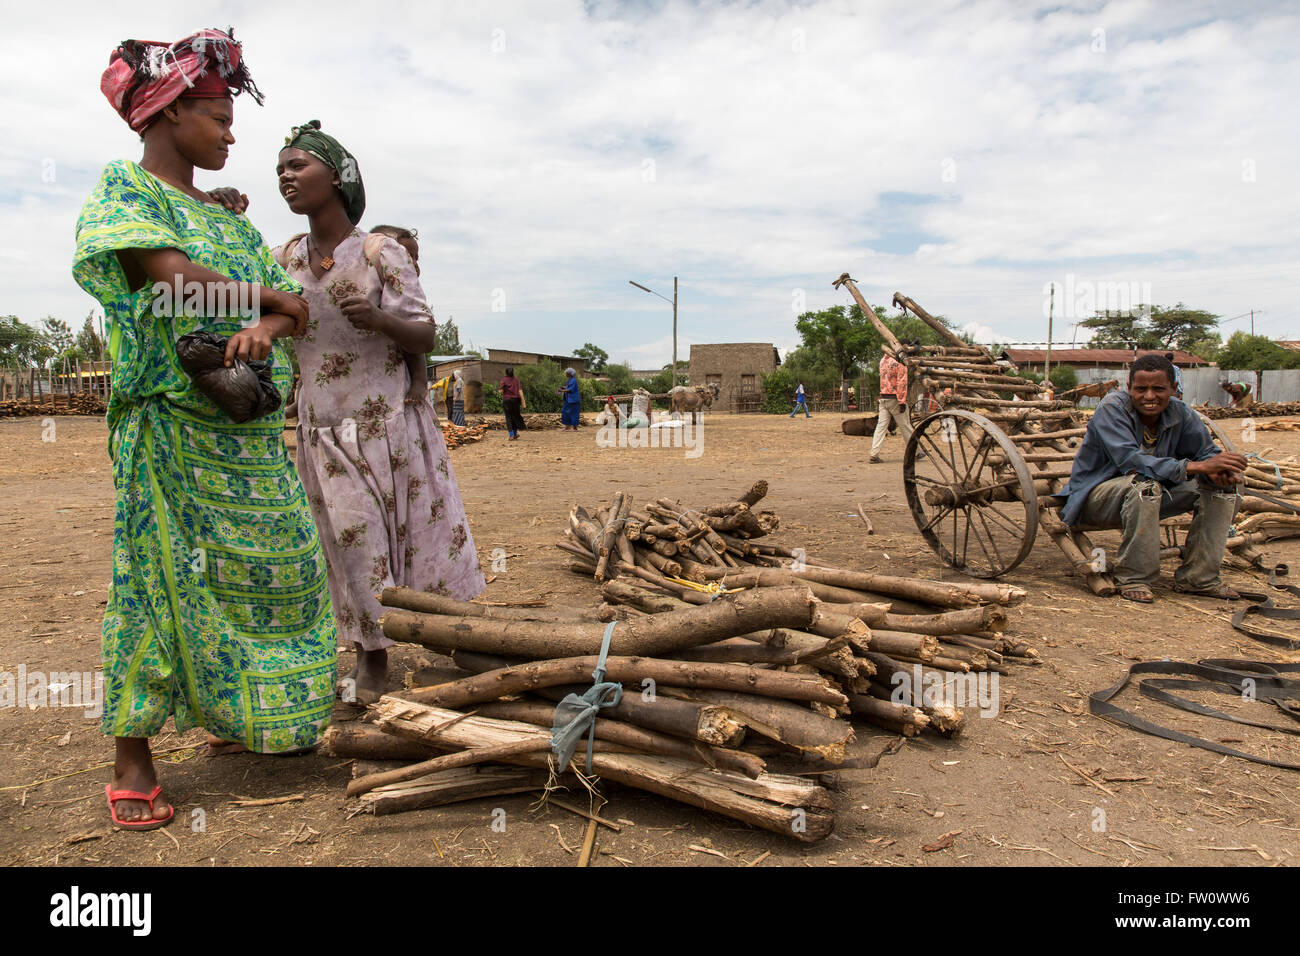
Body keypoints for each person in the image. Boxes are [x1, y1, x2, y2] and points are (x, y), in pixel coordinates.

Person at [74, 29, 337, 830]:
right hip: (170, 429)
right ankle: (133, 758)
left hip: (248, 432)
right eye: (219, 115)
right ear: (171, 110)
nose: (232, 132)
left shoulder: (230, 222)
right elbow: (175, 286)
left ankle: (247, 717)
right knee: (157, 587)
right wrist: (266, 305)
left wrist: (271, 316)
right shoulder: (125, 193)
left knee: (283, 572)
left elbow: (292, 310)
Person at [273, 120, 486, 702]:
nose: (286, 177)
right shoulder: (281, 257)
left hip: (386, 424)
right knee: (349, 538)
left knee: (415, 541)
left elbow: (423, 332)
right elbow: (241, 294)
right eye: (280, 170)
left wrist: (379, 320)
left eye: (299, 166)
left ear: (339, 176)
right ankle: (371, 655)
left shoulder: (379, 252)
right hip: (321, 428)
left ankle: (446, 640)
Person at [1059, 354, 1247, 603]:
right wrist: (1199, 466)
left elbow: (1206, 452)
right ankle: (1135, 577)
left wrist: (1222, 469)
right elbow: (1131, 461)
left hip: (1152, 496)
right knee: (1144, 485)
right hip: (1096, 498)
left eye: (1158, 389)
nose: (1149, 396)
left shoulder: (1180, 412)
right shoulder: (1112, 409)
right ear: (1129, 388)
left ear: (1173, 389)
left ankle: (1198, 578)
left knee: (1220, 488)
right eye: (1141, 389)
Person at [371, 225, 429, 406]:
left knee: (413, 342)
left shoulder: (407, 282)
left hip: (404, 330)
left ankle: (420, 382)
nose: (413, 262)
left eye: (415, 257)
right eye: (408, 255)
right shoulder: (371, 273)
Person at [870, 346, 916, 463]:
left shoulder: (883, 360)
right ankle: (915, 451)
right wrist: (901, 401)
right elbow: (902, 383)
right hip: (895, 398)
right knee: (905, 426)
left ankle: (874, 453)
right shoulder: (900, 363)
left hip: (883, 397)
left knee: (881, 427)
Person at [500, 366, 525, 439]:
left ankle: (511, 435)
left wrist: (502, 391)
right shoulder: (517, 380)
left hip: (507, 400)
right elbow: (520, 391)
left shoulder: (503, 379)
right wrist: (523, 402)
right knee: (516, 416)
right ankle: (515, 433)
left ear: (506, 372)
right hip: (516, 400)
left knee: (508, 417)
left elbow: (501, 391)